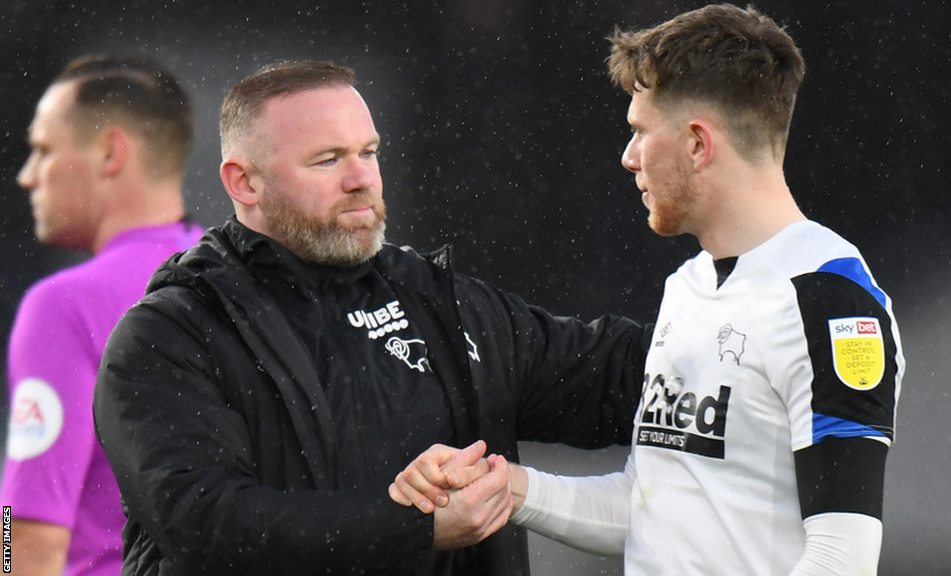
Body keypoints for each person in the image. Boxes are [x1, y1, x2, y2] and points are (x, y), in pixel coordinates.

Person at [391, 4, 905, 575]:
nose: (628, 157)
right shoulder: (687, 286)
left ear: (697, 144)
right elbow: (655, 507)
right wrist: (508, 488)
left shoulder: (831, 302)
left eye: (639, 131)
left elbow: (842, 559)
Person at [91, 59, 650, 575]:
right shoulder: (170, 334)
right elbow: (208, 523)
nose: (361, 178)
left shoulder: (439, 302)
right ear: (244, 182)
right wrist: (414, 524)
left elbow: (619, 380)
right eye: (328, 159)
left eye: (370, 152)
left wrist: (731, 301)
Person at [1, 55, 203, 576]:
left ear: (111, 151)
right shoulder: (249, 284)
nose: (27, 177)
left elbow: (21, 530)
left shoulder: (64, 306)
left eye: (43, 150)